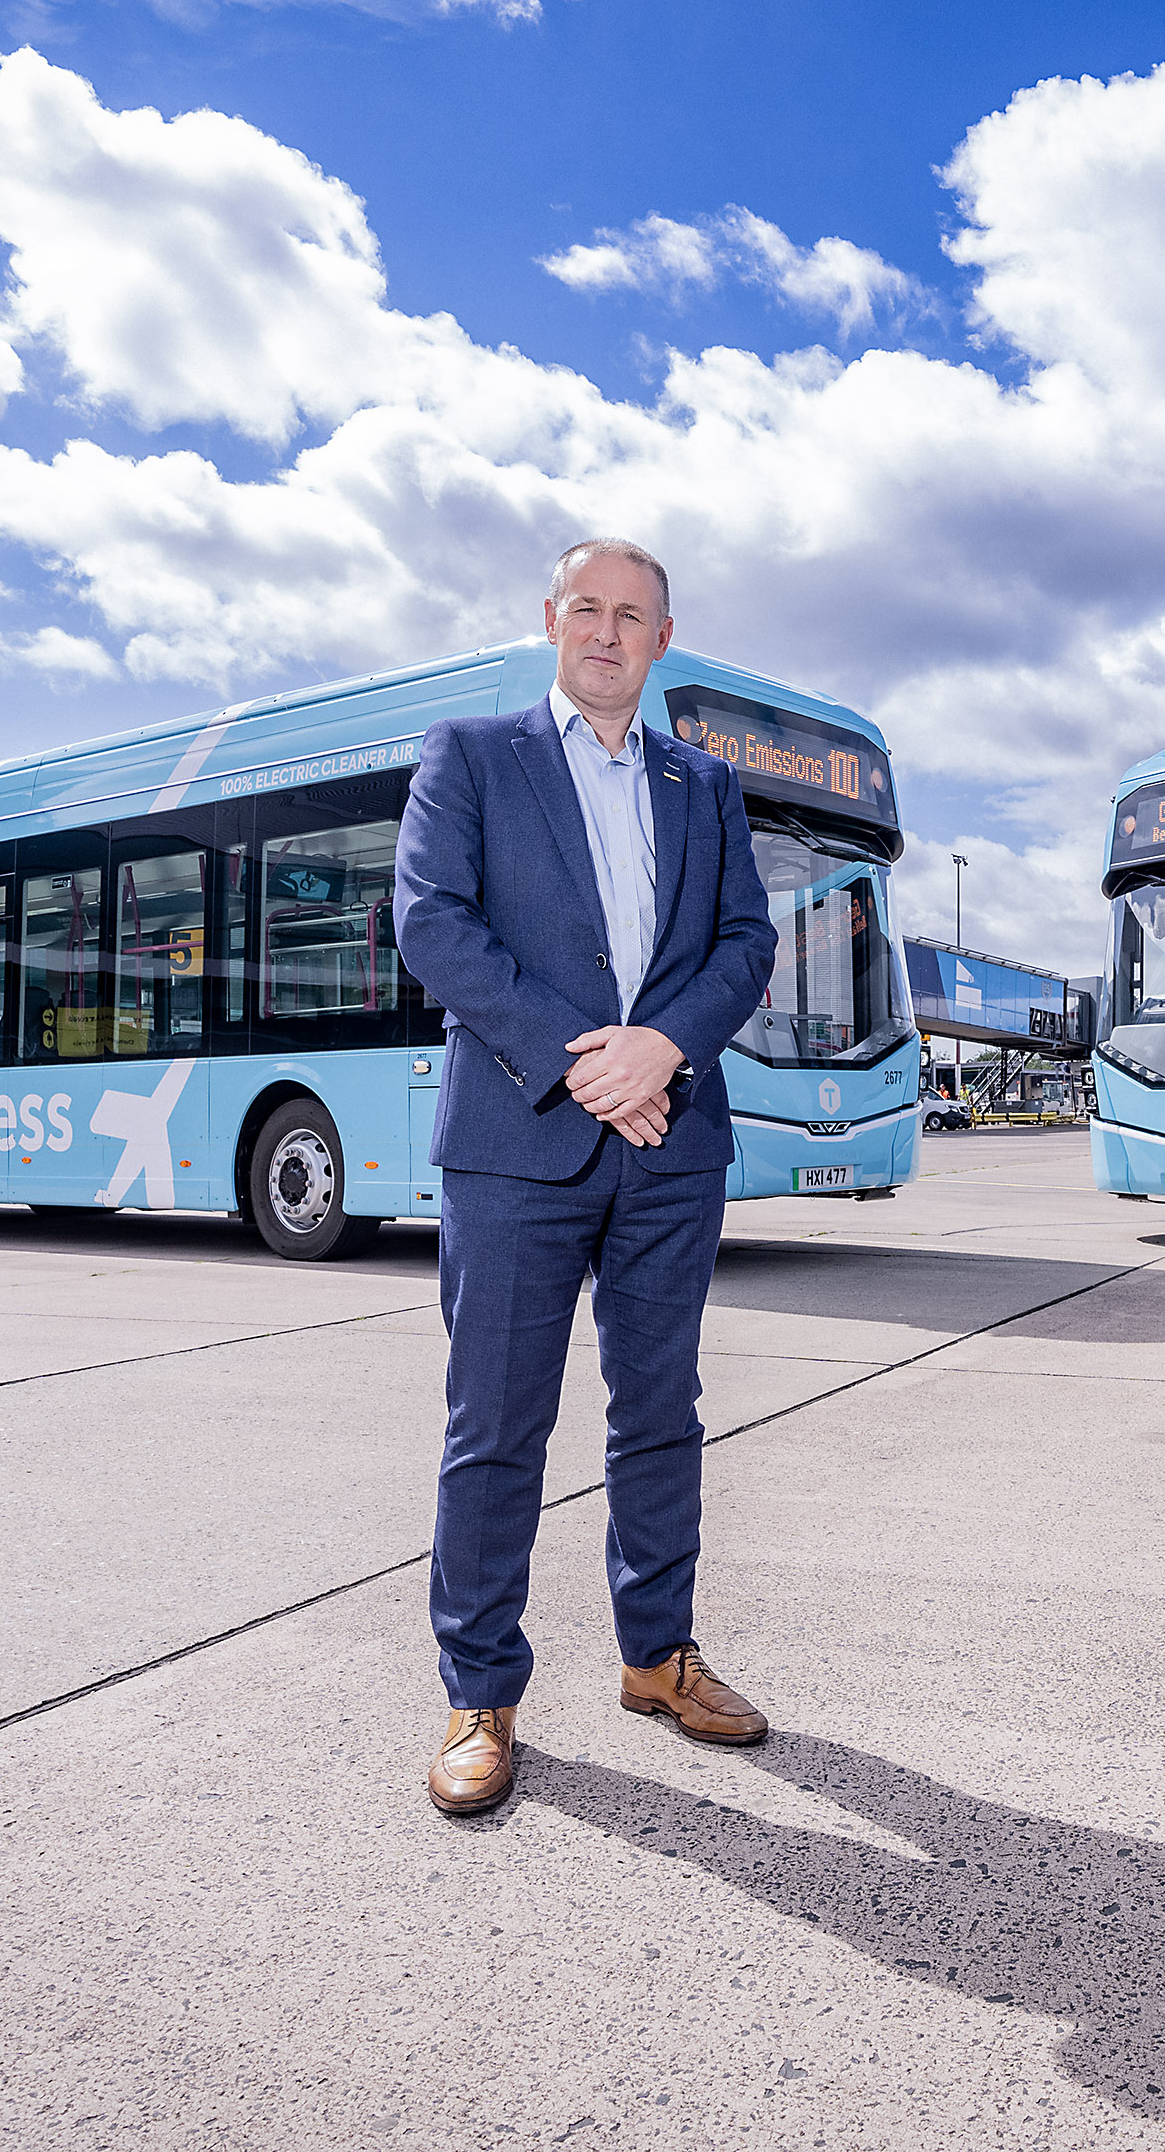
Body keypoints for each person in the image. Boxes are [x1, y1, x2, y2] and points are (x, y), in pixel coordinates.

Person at [391, 539, 784, 1818]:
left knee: (660, 1409)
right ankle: (480, 1693)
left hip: (673, 1143)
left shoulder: (705, 784)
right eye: (587, 609)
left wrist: (663, 1048)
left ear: (664, 640)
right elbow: (434, 924)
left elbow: (742, 941)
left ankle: (655, 1656)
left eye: (633, 615)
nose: (607, 632)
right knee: (496, 1423)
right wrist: (589, 1064)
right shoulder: (472, 755)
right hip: (518, 1139)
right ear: (549, 620)